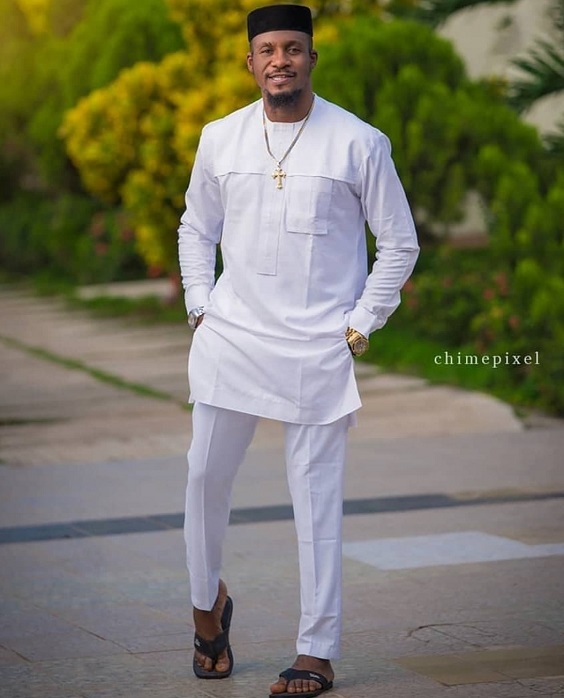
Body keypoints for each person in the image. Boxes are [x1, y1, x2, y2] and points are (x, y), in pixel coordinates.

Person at [177, 4, 419, 696]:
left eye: (292, 48)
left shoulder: (359, 142)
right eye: (267, 50)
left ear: (312, 58)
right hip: (231, 338)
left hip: (318, 347)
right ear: (249, 63)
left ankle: (316, 652)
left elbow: (399, 243)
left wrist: (361, 324)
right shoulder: (220, 138)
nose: (279, 60)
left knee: (315, 502)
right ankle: (206, 607)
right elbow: (196, 227)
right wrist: (200, 304)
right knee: (203, 477)